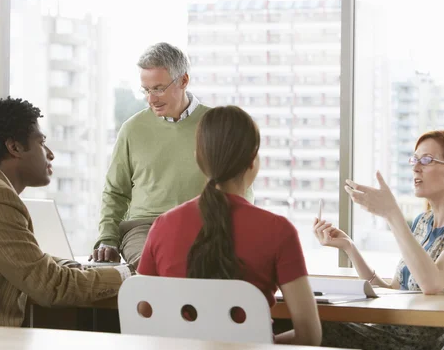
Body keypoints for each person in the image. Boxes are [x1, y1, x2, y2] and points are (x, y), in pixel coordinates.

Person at [0, 98, 133, 326]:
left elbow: (32, 262)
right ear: (14, 147)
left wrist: (81, 268)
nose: (50, 154)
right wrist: (128, 275)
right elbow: (52, 287)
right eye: (41, 143)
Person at [137, 106, 323, 346]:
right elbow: (309, 335)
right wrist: (261, 343)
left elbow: (142, 315)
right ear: (253, 161)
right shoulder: (278, 231)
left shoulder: (163, 225)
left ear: (198, 158)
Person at [315, 130, 444, 350]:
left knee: (309, 329)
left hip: (410, 343)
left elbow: (433, 284)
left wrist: (391, 213)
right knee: (302, 326)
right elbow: (392, 292)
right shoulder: (422, 223)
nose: (416, 167)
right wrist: (349, 247)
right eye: (414, 160)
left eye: (427, 160)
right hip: (386, 330)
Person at [91, 42, 220, 267]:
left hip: (203, 228)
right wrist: (107, 238)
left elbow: (239, 188)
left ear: (183, 81)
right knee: (154, 267)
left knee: (202, 267)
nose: (151, 99)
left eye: (159, 88)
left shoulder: (217, 125)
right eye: (146, 90)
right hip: (144, 228)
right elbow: (115, 192)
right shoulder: (132, 129)